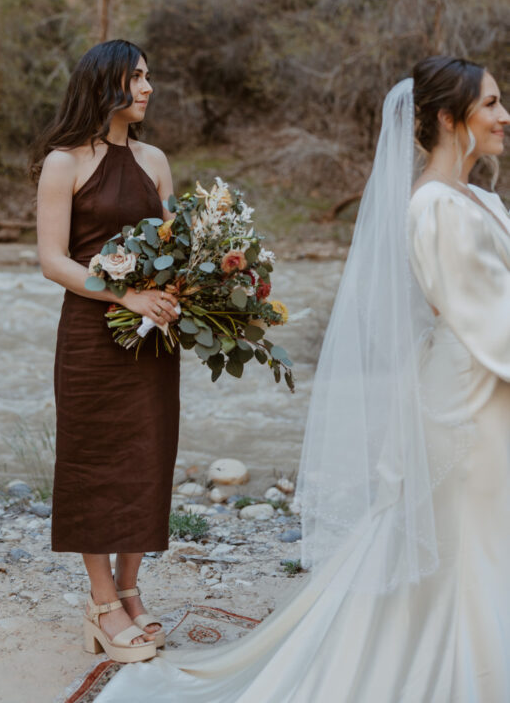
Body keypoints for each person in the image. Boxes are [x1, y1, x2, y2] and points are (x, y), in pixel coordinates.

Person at [95, 55, 510, 702]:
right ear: (447, 118)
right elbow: (485, 315)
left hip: (490, 390)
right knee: (464, 535)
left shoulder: (479, 197)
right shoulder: (431, 205)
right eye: (488, 104)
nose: (502, 115)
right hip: (465, 393)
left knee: (488, 533)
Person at [32, 39, 181, 664]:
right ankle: (99, 603)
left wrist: (186, 292)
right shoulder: (62, 163)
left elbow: (178, 247)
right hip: (93, 337)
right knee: (95, 461)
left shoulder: (155, 159)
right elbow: (52, 261)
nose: (147, 88)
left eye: (149, 76)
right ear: (106, 85)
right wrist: (127, 297)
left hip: (153, 339)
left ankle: (129, 588)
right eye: (136, 77)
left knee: (147, 457)